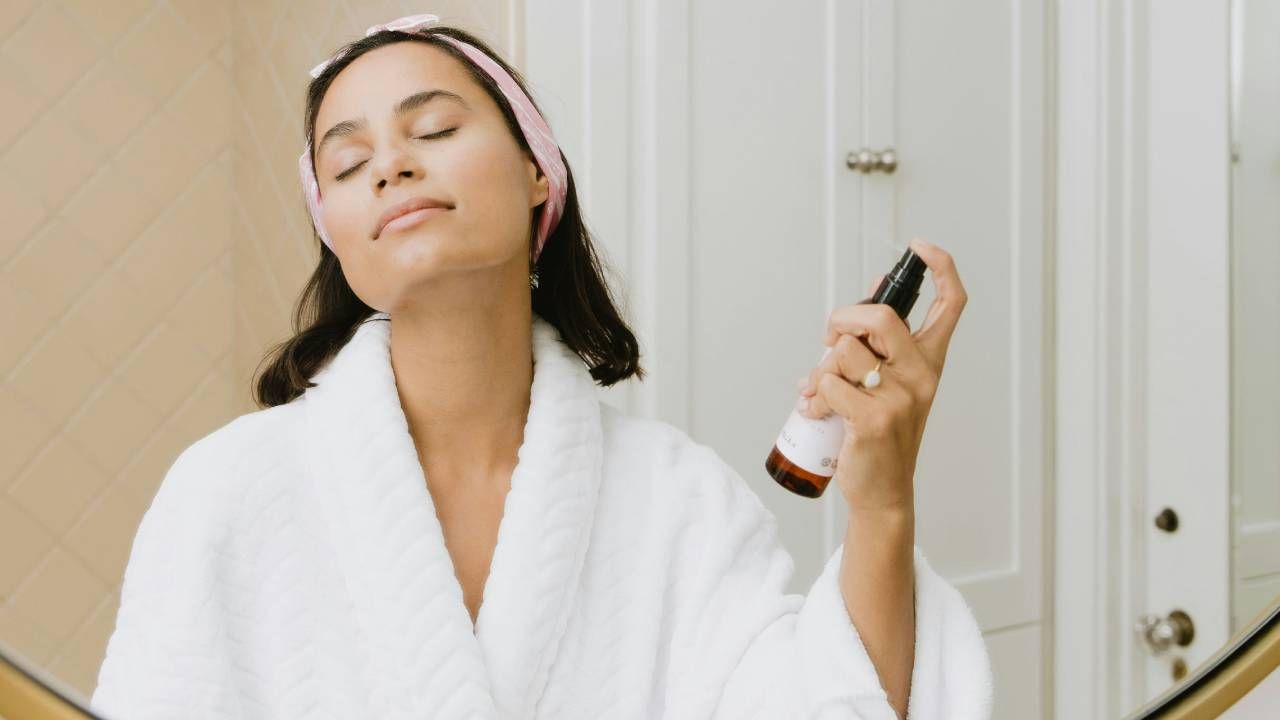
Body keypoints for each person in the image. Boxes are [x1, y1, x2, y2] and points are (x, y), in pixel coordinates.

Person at [90, 14, 992, 720]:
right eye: (350, 161)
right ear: (339, 242)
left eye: (433, 128)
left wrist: (882, 504)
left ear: (537, 173)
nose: (392, 166)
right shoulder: (226, 493)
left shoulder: (680, 503)